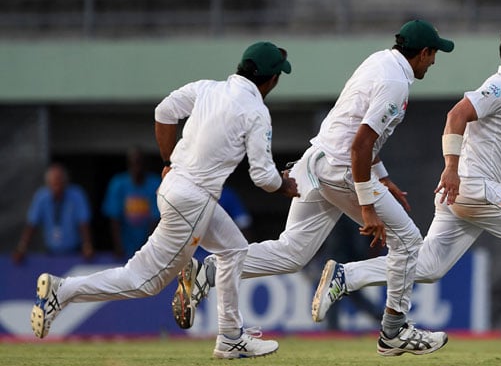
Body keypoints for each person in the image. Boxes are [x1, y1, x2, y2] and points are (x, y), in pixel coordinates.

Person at [312, 22, 501, 354]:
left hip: (465, 194)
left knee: (427, 267)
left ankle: (347, 277)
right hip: (473, 187)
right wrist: (451, 169)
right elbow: (456, 115)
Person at [172, 20, 454, 356]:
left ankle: (208, 272)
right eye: (433, 54)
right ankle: (394, 331)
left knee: (292, 252)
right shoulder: (395, 82)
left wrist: (381, 175)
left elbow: (352, 129)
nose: (434, 61)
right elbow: (360, 144)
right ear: (422, 52)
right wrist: (367, 205)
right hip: (341, 169)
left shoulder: (379, 61)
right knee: (408, 242)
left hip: (317, 161)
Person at [29, 41, 299, 360]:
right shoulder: (256, 112)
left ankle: (230, 335)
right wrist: (287, 185)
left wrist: (169, 158)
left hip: (174, 188)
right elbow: (263, 178)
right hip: (193, 202)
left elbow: (164, 112)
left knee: (234, 249)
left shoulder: (207, 88)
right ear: (270, 79)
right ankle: (64, 291)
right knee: (145, 281)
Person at [13, 163, 93, 264]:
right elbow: (32, 225)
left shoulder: (76, 195)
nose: (58, 187)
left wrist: (87, 246)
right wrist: (22, 248)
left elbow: (83, 223)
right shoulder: (41, 197)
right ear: (48, 184)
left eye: (60, 182)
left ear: (66, 182)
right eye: (55, 183)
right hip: (50, 252)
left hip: (74, 252)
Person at [102, 147, 161, 258]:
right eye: (133, 163)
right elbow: (114, 218)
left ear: (145, 164)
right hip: (124, 247)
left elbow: (156, 219)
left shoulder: (155, 183)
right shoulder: (118, 183)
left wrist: (148, 248)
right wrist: (118, 246)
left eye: (139, 162)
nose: (136, 167)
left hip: (149, 246)